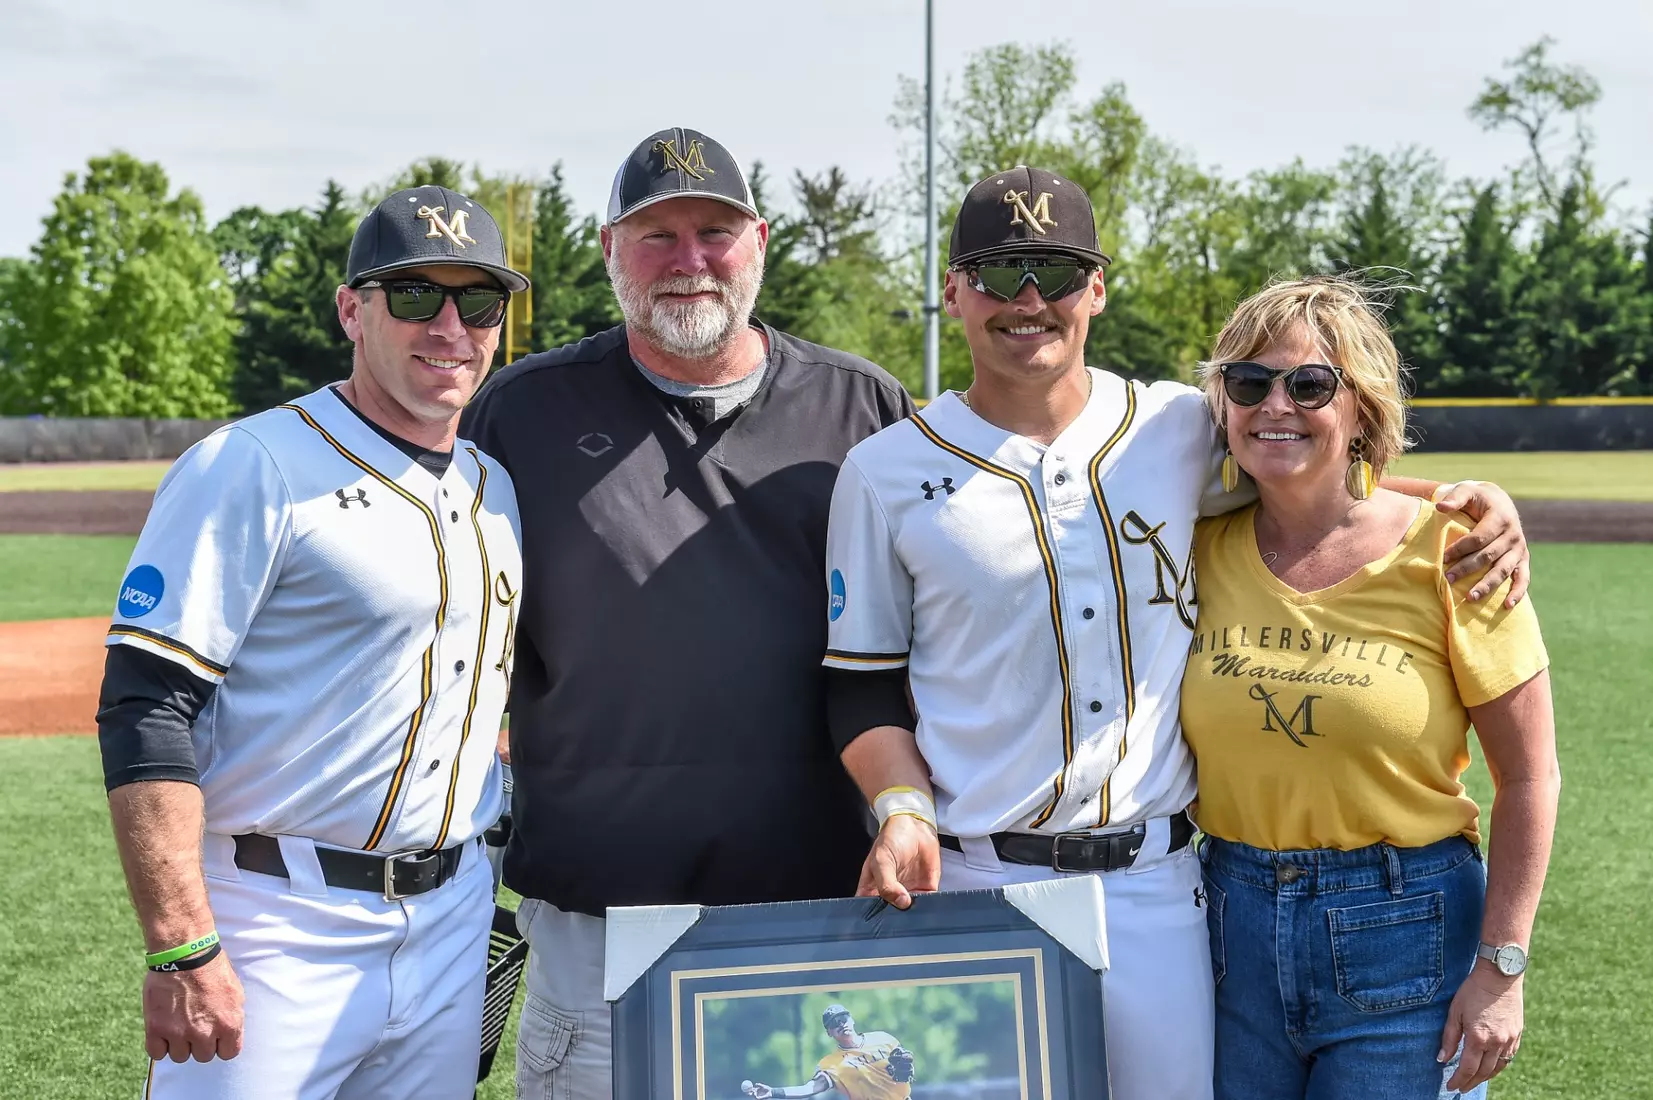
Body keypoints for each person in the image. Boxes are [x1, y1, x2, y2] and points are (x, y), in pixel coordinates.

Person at [823, 166, 1531, 1100]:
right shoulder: (881, 471)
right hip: (972, 879)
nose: (1028, 299)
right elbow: (859, 682)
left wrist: (1462, 499)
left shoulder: (1174, 426)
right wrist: (899, 808)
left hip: (1158, 888)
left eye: (1057, 272)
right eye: (998, 273)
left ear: (1098, 289)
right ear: (952, 289)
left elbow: (1302, 460)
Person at [457, 127, 914, 1100]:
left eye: (714, 230)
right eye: (656, 234)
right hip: (598, 925)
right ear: (610, 246)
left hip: (818, 913)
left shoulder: (859, 404)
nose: (689, 259)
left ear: (758, 239)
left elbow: (916, 638)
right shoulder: (522, 409)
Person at [97, 184, 527, 1099]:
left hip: (452, 919)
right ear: (350, 310)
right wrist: (181, 943)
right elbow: (145, 706)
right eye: (414, 294)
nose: (449, 323)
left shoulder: (496, 487)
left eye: (477, 299)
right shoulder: (251, 465)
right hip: (277, 920)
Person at [1180, 276, 1560, 1099]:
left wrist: (1501, 967)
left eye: (1308, 384)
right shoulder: (1193, 544)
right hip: (1223, 922)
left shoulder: (1456, 552)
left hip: (1405, 926)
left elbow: (1528, 776)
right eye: (1248, 382)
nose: (1273, 403)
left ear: (1363, 407)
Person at [745, 1005, 914, 1099]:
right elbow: (809, 1088)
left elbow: (906, 1065)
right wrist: (774, 1092)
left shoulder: (883, 1038)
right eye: (834, 1024)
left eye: (843, 1019)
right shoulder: (832, 1064)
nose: (841, 1024)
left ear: (852, 1020)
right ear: (829, 1033)